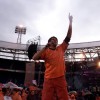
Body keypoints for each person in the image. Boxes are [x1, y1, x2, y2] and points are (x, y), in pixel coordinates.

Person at [32, 13, 73, 100]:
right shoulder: (45, 51)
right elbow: (34, 58)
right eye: (53, 39)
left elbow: (68, 36)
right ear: (49, 42)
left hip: (60, 77)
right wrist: (45, 47)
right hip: (48, 79)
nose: (55, 40)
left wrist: (70, 22)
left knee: (64, 98)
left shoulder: (61, 48)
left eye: (56, 40)